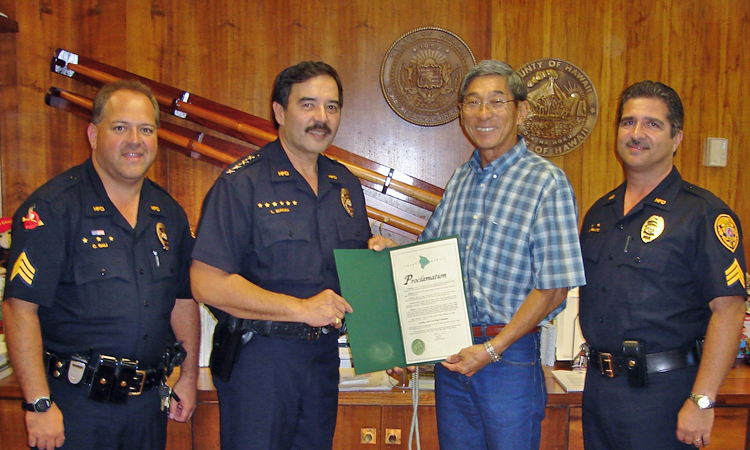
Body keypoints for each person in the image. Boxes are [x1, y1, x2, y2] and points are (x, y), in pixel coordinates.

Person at [1, 80, 199, 450]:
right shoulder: (53, 209)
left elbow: (183, 300)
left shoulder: (168, 214)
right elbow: (18, 308)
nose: (135, 140)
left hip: (146, 407)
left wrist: (187, 376)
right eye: (120, 127)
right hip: (75, 406)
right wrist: (38, 404)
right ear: (93, 134)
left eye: (146, 129)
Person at [190, 61, 375, 450]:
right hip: (259, 362)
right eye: (308, 105)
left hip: (323, 359)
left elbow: (352, 276)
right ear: (279, 112)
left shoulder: (345, 185)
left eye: (332, 106)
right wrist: (299, 309)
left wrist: (379, 260)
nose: (321, 118)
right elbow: (206, 283)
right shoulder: (242, 183)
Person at [411, 59, 586, 449]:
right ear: (461, 114)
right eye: (472, 103)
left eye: (496, 101)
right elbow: (427, 260)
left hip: (508, 358)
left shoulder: (546, 182)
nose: (483, 113)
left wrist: (492, 349)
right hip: (452, 353)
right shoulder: (460, 179)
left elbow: (555, 287)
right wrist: (389, 254)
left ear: (521, 110)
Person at [579, 80, 747, 449]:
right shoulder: (600, 212)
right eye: (628, 122)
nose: (636, 134)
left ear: (677, 138)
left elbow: (730, 312)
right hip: (599, 392)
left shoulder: (704, 214)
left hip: (665, 396)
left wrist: (702, 401)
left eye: (652, 124)